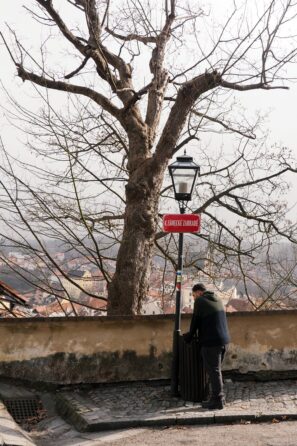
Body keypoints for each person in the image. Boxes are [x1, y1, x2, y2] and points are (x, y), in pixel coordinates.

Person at [184, 283, 230, 410]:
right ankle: (219, 398)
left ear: (199, 292)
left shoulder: (200, 301)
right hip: (224, 341)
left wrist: (188, 337)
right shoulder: (218, 298)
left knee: (213, 371)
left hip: (211, 342)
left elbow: (195, 322)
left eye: (193, 295)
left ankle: (218, 400)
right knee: (216, 371)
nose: (194, 298)